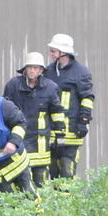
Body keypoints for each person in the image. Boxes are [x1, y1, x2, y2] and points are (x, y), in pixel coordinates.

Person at [2, 52, 65, 187]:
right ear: (25, 69)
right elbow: (4, 110)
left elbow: (57, 113)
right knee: (20, 178)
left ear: (41, 70)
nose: (32, 70)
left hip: (40, 141)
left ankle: (42, 200)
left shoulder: (50, 88)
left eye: (35, 68)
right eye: (29, 67)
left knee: (41, 179)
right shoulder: (13, 85)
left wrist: (60, 135)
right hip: (19, 138)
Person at [44, 34, 95, 179]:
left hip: (72, 131)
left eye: (53, 51)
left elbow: (87, 98)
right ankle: (57, 194)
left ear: (63, 52)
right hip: (53, 130)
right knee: (52, 169)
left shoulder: (81, 72)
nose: (51, 54)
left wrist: (83, 121)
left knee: (67, 168)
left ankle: (68, 193)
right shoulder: (48, 72)